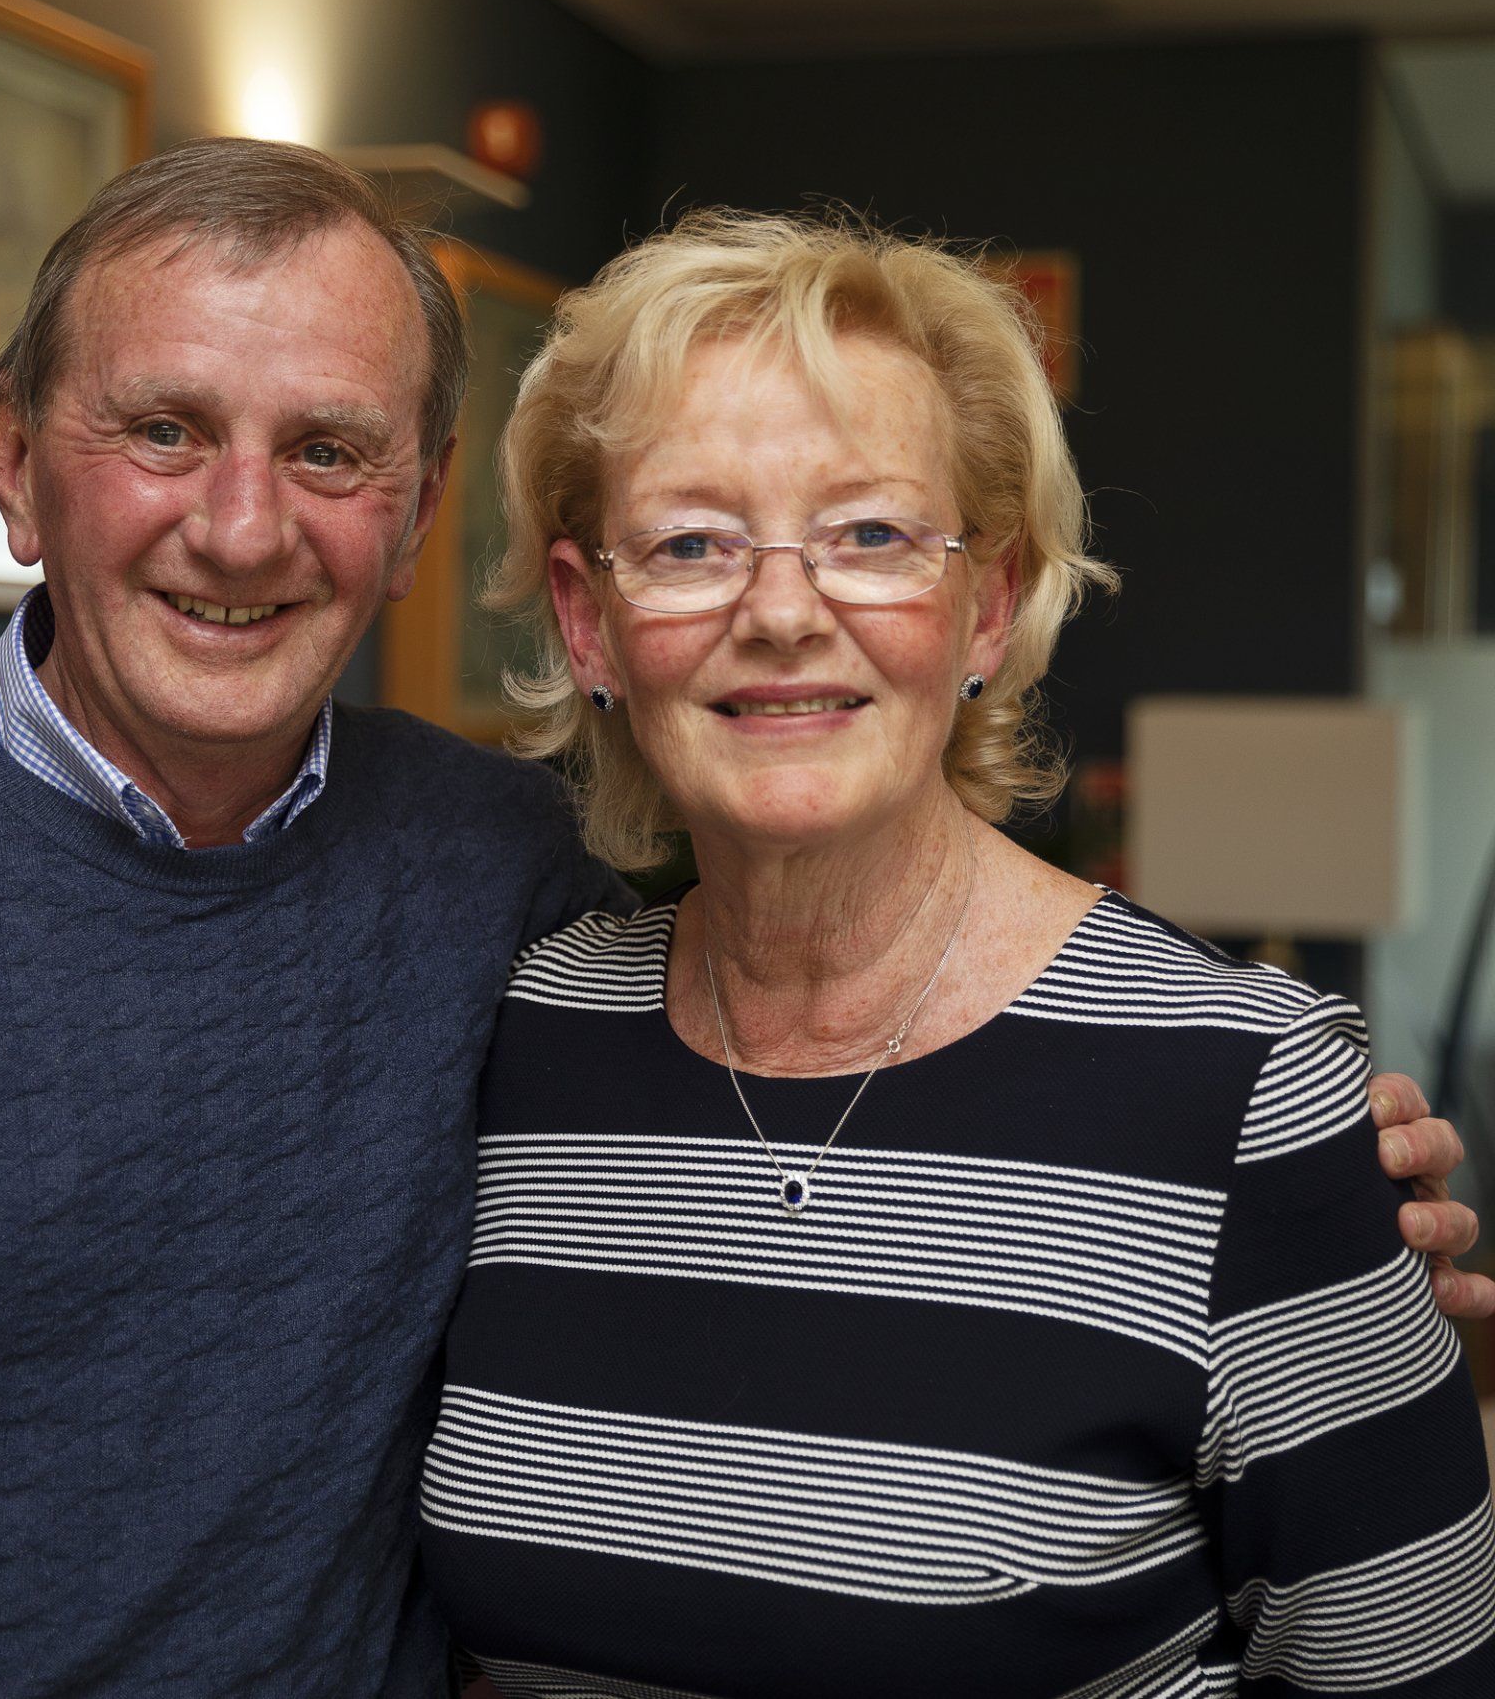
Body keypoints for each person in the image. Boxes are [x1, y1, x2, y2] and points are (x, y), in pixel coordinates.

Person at [0, 143, 1477, 1699]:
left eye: (327, 450)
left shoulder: (496, 885)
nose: (242, 528)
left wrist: (1307, 1189)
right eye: (162, 429)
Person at [418, 209, 1495, 1697]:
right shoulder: (524, 1034)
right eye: (691, 542)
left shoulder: (1242, 1099)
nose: (783, 609)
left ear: (985, 605)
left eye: (869, 532)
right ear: (590, 623)